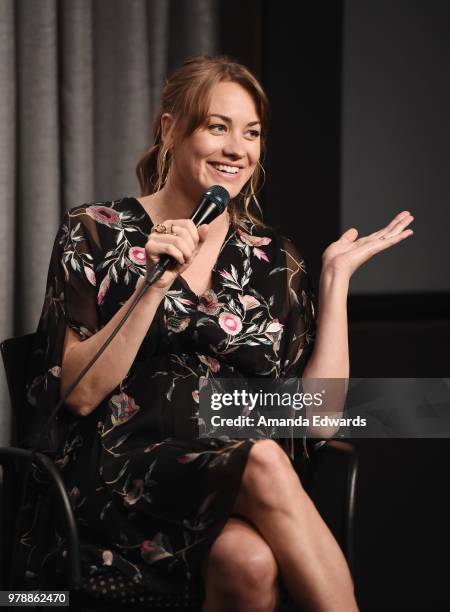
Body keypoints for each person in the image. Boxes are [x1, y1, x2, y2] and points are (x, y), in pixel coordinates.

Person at [22, 55, 413, 611]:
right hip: (118, 475)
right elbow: (80, 395)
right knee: (261, 458)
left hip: (227, 479)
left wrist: (334, 281)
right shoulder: (96, 231)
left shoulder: (275, 259)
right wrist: (152, 285)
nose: (237, 149)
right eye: (217, 126)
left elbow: (319, 421)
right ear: (169, 130)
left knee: (248, 562)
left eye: (251, 132)